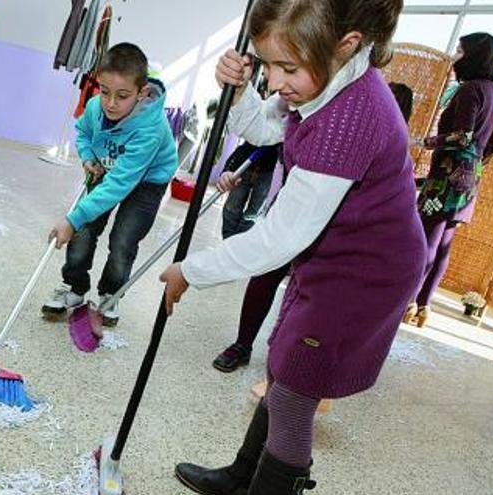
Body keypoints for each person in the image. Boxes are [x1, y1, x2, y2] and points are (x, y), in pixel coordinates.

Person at [159, 1, 426, 492]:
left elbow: (280, 237)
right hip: (332, 255)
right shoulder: (326, 80)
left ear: (346, 45)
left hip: (366, 273)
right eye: (265, 65)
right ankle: (245, 475)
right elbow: (265, 127)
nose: (275, 80)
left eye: (286, 67)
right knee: (284, 367)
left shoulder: (352, 117)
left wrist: (191, 270)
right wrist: (239, 93)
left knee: (294, 395)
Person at [214, 81, 416, 375]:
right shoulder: (321, 117)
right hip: (291, 208)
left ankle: (286, 359)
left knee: (307, 296)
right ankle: (243, 345)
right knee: (265, 276)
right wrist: (237, 168)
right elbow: (264, 137)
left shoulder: (385, 149)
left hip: (337, 233)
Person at [41, 43, 178, 327]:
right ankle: (75, 288)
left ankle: (110, 294)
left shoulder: (150, 128)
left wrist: (72, 217)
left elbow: (120, 184)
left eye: (122, 96)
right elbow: (83, 133)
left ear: (141, 93)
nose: (111, 103)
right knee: (83, 231)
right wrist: (89, 155)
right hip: (108, 169)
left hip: (147, 180)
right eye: (105, 92)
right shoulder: (94, 107)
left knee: (123, 240)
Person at [404, 32, 493, 328]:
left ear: (473, 55)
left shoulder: (471, 89)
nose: (456, 56)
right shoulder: (492, 90)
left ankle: (406, 302)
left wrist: (425, 141)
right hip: (468, 181)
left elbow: (463, 135)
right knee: (444, 240)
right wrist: (473, 165)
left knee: (427, 240)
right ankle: (422, 307)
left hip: (446, 178)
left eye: (460, 51)